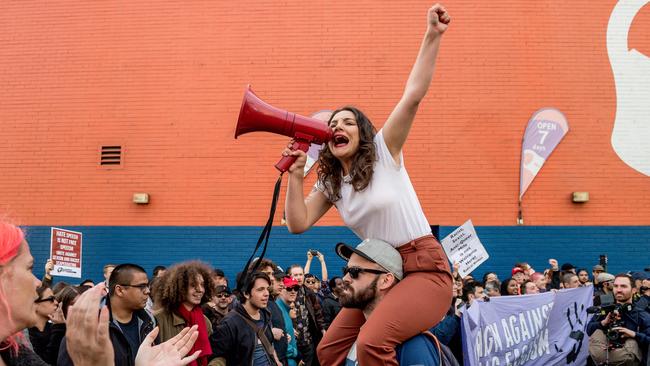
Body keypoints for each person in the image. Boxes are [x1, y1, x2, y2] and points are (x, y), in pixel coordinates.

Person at [283, 4, 453, 365]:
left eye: (348, 122)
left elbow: (413, 95)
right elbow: (297, 224)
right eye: (332, 125)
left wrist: (432, 35)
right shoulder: (331, 183)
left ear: (363, 134)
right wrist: (296, 174)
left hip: (424, 270)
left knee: (374, 343)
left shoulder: (383, 153)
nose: (338, 127)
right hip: (378, 273)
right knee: (328, 350)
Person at [335, 238, 444, 365]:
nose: (344, 278)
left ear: (386, 281)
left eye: (355, 272)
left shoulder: (414, 346)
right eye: (346, 271)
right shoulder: (359, 336)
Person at [58, 263, 156, 366]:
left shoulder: (149, 321)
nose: (148, 291)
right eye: (141, 286)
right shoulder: (89, 325)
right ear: (119, 290)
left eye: (147, 286)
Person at [209, 272, 282, 366]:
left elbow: (268, 345)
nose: (267, 294)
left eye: (267, 289)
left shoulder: (265, 314)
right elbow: (216, 357)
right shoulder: (229, 324)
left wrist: (276, 361)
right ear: (246, 294)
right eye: (260, 290)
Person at [152, 261, 214, 366]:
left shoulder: (205, 321)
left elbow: (212, 356)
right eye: (193, 285)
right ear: (179, 287)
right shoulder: (158, 319)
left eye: (202, 285)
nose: (200, 290)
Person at [587, 274, 650, 365]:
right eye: (616, 286)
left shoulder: (642, 315)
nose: (619, 290)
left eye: (623, 286)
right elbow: (589, 330)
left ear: (633, 290)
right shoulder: (605, 311)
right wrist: (602, 323)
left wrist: (634, 335)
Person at [28, 285, 64, 361]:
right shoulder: (26, 334)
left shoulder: (55, 328)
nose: (56, 302)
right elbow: (46, 361)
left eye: (55, 298)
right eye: (51, 299)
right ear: (35, 304)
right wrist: (59, 328)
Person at [276, 277, 300, 366]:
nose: (293, 291)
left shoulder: (286, 309)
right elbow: (279, 343)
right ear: (281, 289)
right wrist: (296, 354)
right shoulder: (278, 310)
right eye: (289, 288)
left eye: (296, 288)